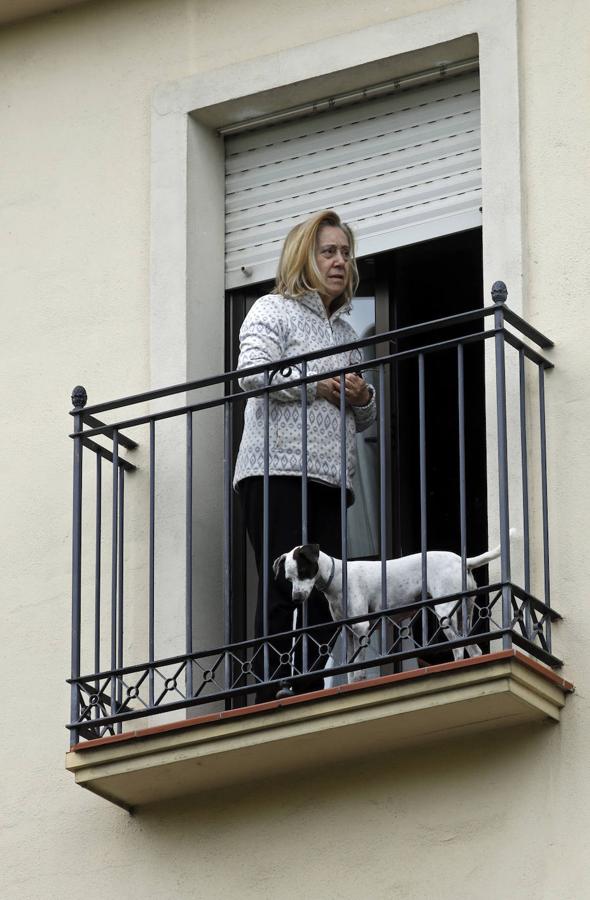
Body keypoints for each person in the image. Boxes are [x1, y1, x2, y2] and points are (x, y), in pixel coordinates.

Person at [234, 209, 377, 701]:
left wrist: (362, 398)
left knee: (325, 591)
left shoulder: (347, 336)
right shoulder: (272, 309)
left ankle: (310, 689)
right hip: (274, 470)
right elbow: (251, 375)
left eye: (346, 253)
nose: (341, 262)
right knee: (283, 583)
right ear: (305, 257)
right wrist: (316, 385)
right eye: (329, 252)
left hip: (332, 479)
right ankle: (272, 693)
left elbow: (367, 421)